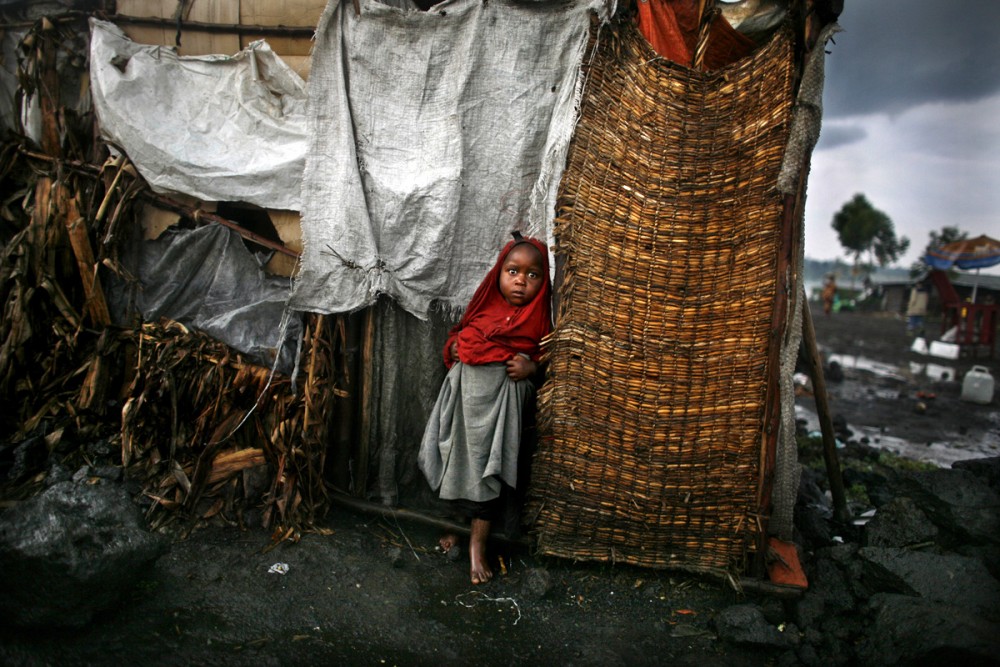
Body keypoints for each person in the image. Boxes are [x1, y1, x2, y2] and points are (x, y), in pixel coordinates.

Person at [418, 231, 552, 585]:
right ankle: (456, 528)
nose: (521, 280)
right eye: (513, 271)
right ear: (498, 274)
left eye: (532, 274)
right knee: (456, 462)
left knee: (488, 469)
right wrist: (453, 350)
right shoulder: (485, 307)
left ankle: (479, 544)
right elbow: (458, 336)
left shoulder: (539, 323)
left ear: (543, 281)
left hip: (502, 408)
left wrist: (531, 368)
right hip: (465, 403)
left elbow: (548, 361)